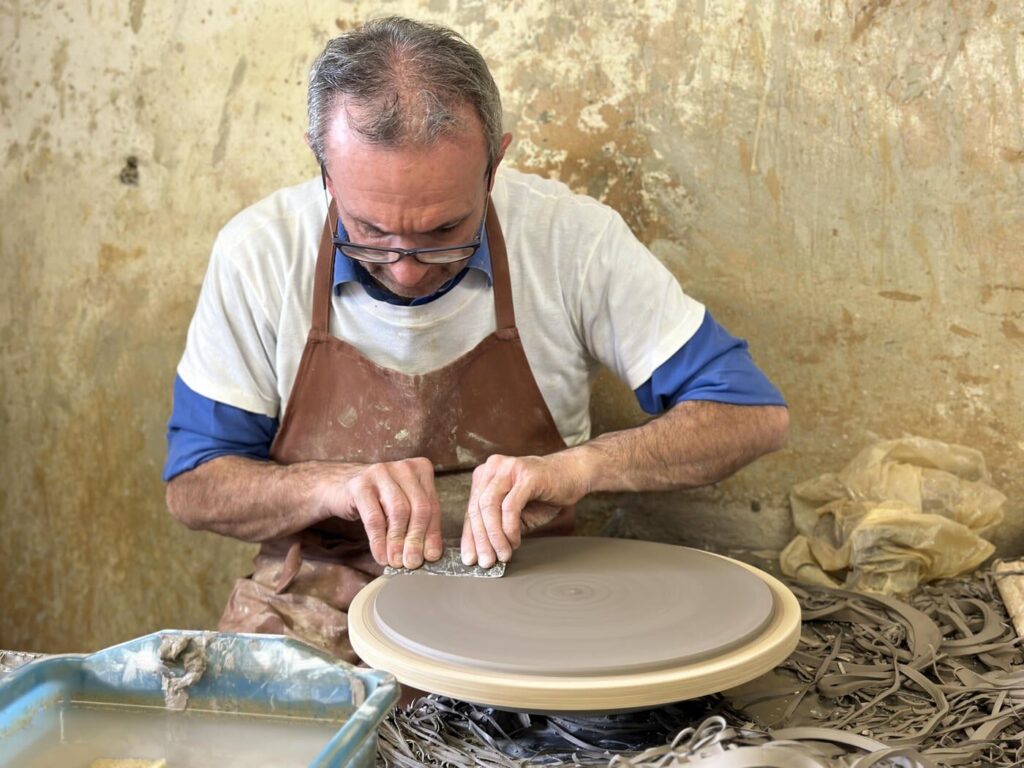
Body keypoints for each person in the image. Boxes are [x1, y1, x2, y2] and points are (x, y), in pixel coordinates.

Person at [164, 16, 789, 661]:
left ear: (494, 165)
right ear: (323, 168)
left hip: (523, 586)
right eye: (370, 231)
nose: (406, 268)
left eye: (443, 232)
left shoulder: (572, 240)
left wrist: (582, 468)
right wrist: (330, 487)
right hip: (320, 593)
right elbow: (195, 486)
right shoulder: (260, 253)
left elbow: (752, 416)